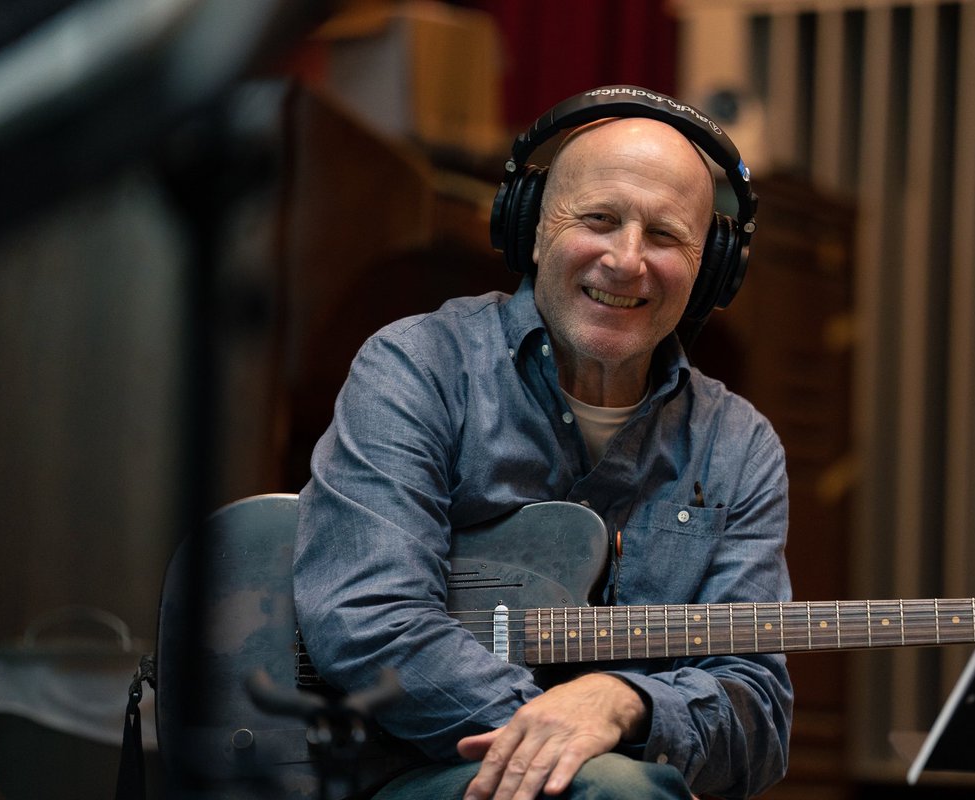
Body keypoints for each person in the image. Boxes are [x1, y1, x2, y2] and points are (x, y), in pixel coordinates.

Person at [294, 85, 793, 800]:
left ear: (710, 268)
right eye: (598, 219)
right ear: (529, 227)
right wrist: (554, 730)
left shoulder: (740, 446)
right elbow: (371, 618)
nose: (626, 260)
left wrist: (622, 704)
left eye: (663, 235)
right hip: (406, 771)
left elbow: (757, 716)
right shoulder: (418, 366)